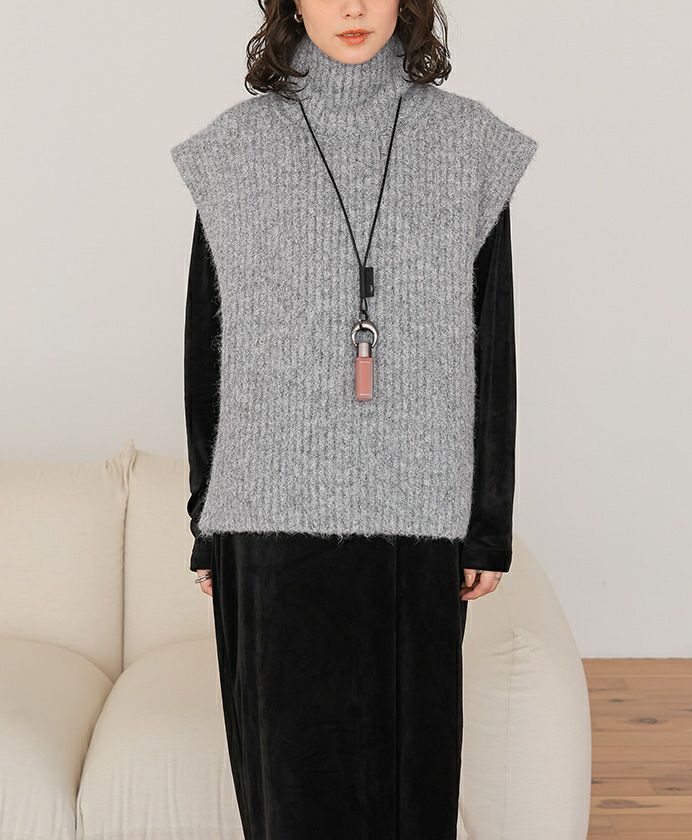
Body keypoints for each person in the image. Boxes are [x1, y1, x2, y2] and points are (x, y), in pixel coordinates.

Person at [171, 2, 537, 838]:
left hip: (420, 517)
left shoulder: (469, 145)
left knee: (410, 793)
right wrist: (205, 523)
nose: (351, 7)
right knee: (289, 796)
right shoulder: (232, 150)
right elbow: (206, 349)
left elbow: (494, 341)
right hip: (265, 525)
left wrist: (487, 525)